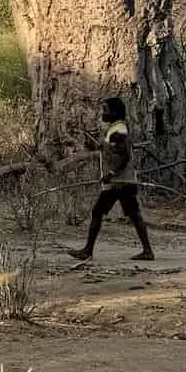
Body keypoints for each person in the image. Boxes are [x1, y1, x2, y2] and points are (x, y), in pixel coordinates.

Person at [67, 95, 154, 262]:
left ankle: (88, 251)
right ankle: (146, 251)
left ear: (115, 112)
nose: (102, 113)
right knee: (128, 214)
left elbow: (124, 156)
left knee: (105, 212)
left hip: (120, 182)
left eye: (105, 110)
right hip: (119, 182)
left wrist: (111, 174)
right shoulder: (115, 128)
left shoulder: (118, 130)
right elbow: (116, 152)